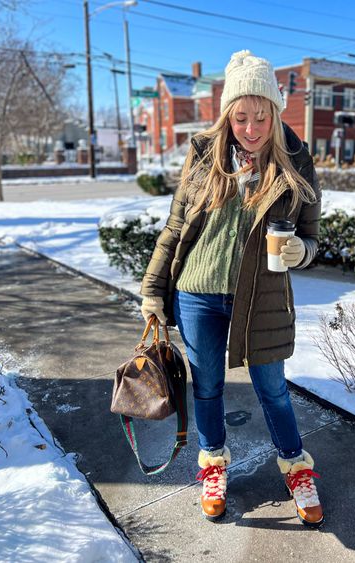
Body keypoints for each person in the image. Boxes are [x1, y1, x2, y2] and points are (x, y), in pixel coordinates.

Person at [140, 50, 323, 527]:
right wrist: (153, 290)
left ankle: (297, 468)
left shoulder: (297, 161)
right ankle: (213, 465)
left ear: (275, 112)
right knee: (207, 388)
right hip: (197, 292)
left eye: (261, 116)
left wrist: (300, 252)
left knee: (273, 388)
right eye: (240, 117)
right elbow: (175, 227)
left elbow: (311, 235)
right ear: (227, 114)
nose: (251, 128)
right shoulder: (204, 154)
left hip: (260, 297)